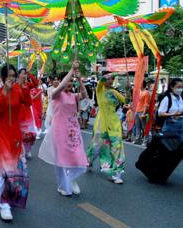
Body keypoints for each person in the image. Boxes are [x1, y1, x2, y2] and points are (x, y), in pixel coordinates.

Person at [38, 61, 88, 196]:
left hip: (73, 131)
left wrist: (79, 79)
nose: (69, 84)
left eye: (71, 82)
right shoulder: (55, 93)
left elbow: (84, 96)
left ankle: (70, 179)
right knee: (62, 159)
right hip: (59, 131)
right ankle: (63, 185)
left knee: (79, 158)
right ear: (60, 81)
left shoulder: (73, 96)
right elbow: (60, 87)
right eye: (67, 81)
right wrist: (72, 70)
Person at [0, 64, 31, 222]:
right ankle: (3, 203)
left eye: (14, 75)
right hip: (0, 134)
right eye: (9, 75)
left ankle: (5, 193)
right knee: (4, 169)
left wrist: (24, 85)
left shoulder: (18, 90)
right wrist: (5, 90)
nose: (12, 78)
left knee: (17, 168)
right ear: (2, 78)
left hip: (15, 135)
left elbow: (27, 102)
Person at [87, 72, 128, 184]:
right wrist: (117, 72)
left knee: (117, 147)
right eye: (109, 79)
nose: (110, 81)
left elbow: (127, 101)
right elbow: (101, 80)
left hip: (114, 123)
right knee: (97, 147)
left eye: (112, 79)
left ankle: (115, 173)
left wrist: (129, 91)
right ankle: (88, 161)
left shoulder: (114, 92)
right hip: (102, 123)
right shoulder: (99, 90)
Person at [18, 68, 38, 159]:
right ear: (19, 75)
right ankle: (21, 150)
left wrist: (30, 73)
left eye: (25, 74)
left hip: (27, 111)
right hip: (18, 111)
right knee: (20, 133)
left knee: (30, 133)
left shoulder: (27, 85)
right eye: (23, 73)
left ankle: (28, 150)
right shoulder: (15, 85)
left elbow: (36, 84)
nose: (25, 75)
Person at [133, 80, 150, 145]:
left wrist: (144, 113)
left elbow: (146, 104)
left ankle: (145, 141)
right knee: (137, 127)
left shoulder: (146, 93)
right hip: (137, 111)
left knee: (144, 128)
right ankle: (137, 139)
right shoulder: (139, 92)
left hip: (142, 112)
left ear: (142, 84)